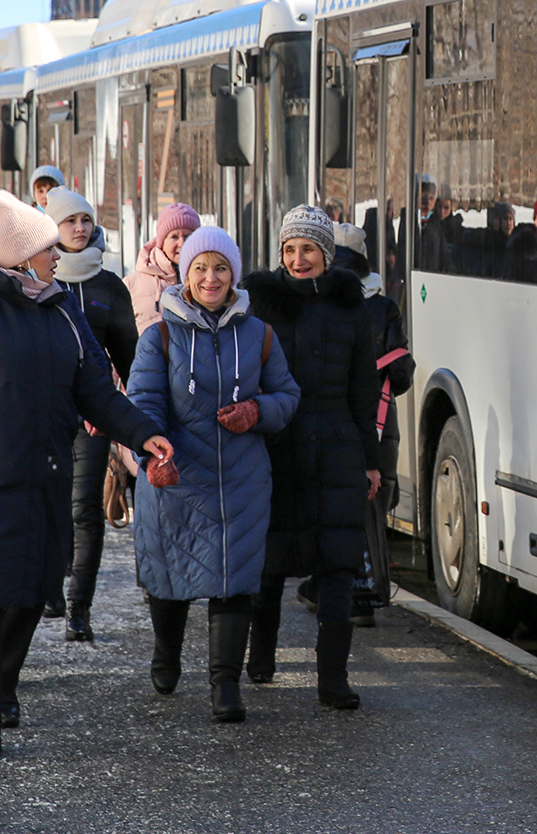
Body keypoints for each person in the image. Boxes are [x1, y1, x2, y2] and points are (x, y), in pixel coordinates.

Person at [0, 191, 173, 760]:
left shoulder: (62, 311)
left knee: (35, 589)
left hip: (47, 472)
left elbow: (95, 389)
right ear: (22, 255)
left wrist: (140, 432)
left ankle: (4, 684)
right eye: (47, 248)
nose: (58, 256)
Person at [128, 225, 298, 723]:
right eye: (200, 267)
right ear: (184, 275)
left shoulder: (258, 333)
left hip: (240, 484)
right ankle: (167, 654)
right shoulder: (159, 335)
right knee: (169, 576)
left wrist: (258, 412)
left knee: (234, 580)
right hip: (177, 478)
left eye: (220, 268)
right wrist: (152, 452)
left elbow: (288, 396)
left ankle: (225, 684)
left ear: (234, 275)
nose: (210, 277)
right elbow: (143, 403)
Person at [241, 206, 381, 709]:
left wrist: (371, 458)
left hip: (338, 448)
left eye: (309, 249)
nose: (299, 259)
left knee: (338, 563)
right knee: (269, 562)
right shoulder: (259, 306)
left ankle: (333, 679)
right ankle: (260, 658)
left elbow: (366, 390)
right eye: (290, 250)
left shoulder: (352, 308)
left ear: (326, 254)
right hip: (276, 444)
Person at [46, 189, 139, 641]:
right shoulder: (37, 277)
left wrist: (127, 416)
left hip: (93, 417)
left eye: (86, 220)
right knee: (47, 506)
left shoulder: (109, 285)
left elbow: (129, 358)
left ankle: (79, 607)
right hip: (44, 415)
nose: (80, 228)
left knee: (85, 509)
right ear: (53, 229)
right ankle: (48, 585)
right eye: (69, 222)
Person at [332, 222, 411, 626]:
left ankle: (333, 590)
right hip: (380, 422)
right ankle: (369, 593)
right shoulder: (383, 305)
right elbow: (402, 376)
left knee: (333, 506)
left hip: (332, 416)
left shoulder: (323, 297)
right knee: (375, 503)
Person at [124, 202, 198, 332]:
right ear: (161, 243)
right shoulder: (131, 285)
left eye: (188, 236)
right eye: (174, 237)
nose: (182, 243)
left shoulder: (208, 283)